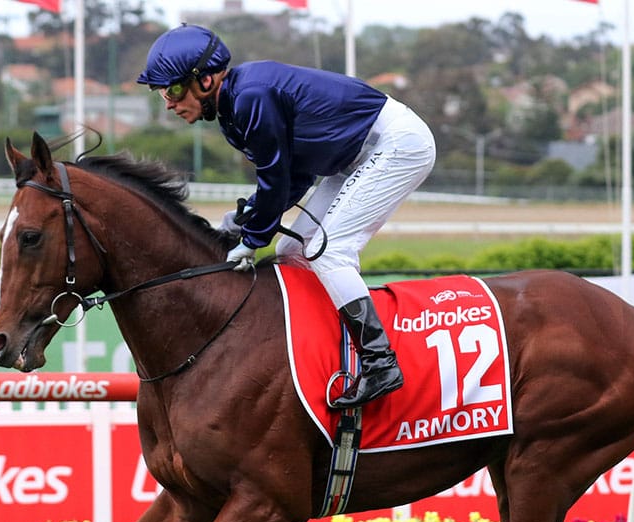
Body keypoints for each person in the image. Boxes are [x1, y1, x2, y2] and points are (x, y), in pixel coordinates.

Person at [137, 24, 436, 409]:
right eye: (162, 93)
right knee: (293, 248)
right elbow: (295, 179)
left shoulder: (250, 97)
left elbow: (275, 180)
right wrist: (245, 224)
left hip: (398, 144)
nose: (169, 102)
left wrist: (249, 239)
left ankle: (381, 363)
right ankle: (325, 349)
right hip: (353, 157)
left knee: (330, 252)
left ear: (206, 80)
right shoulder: (232, 109)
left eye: (174, 89)